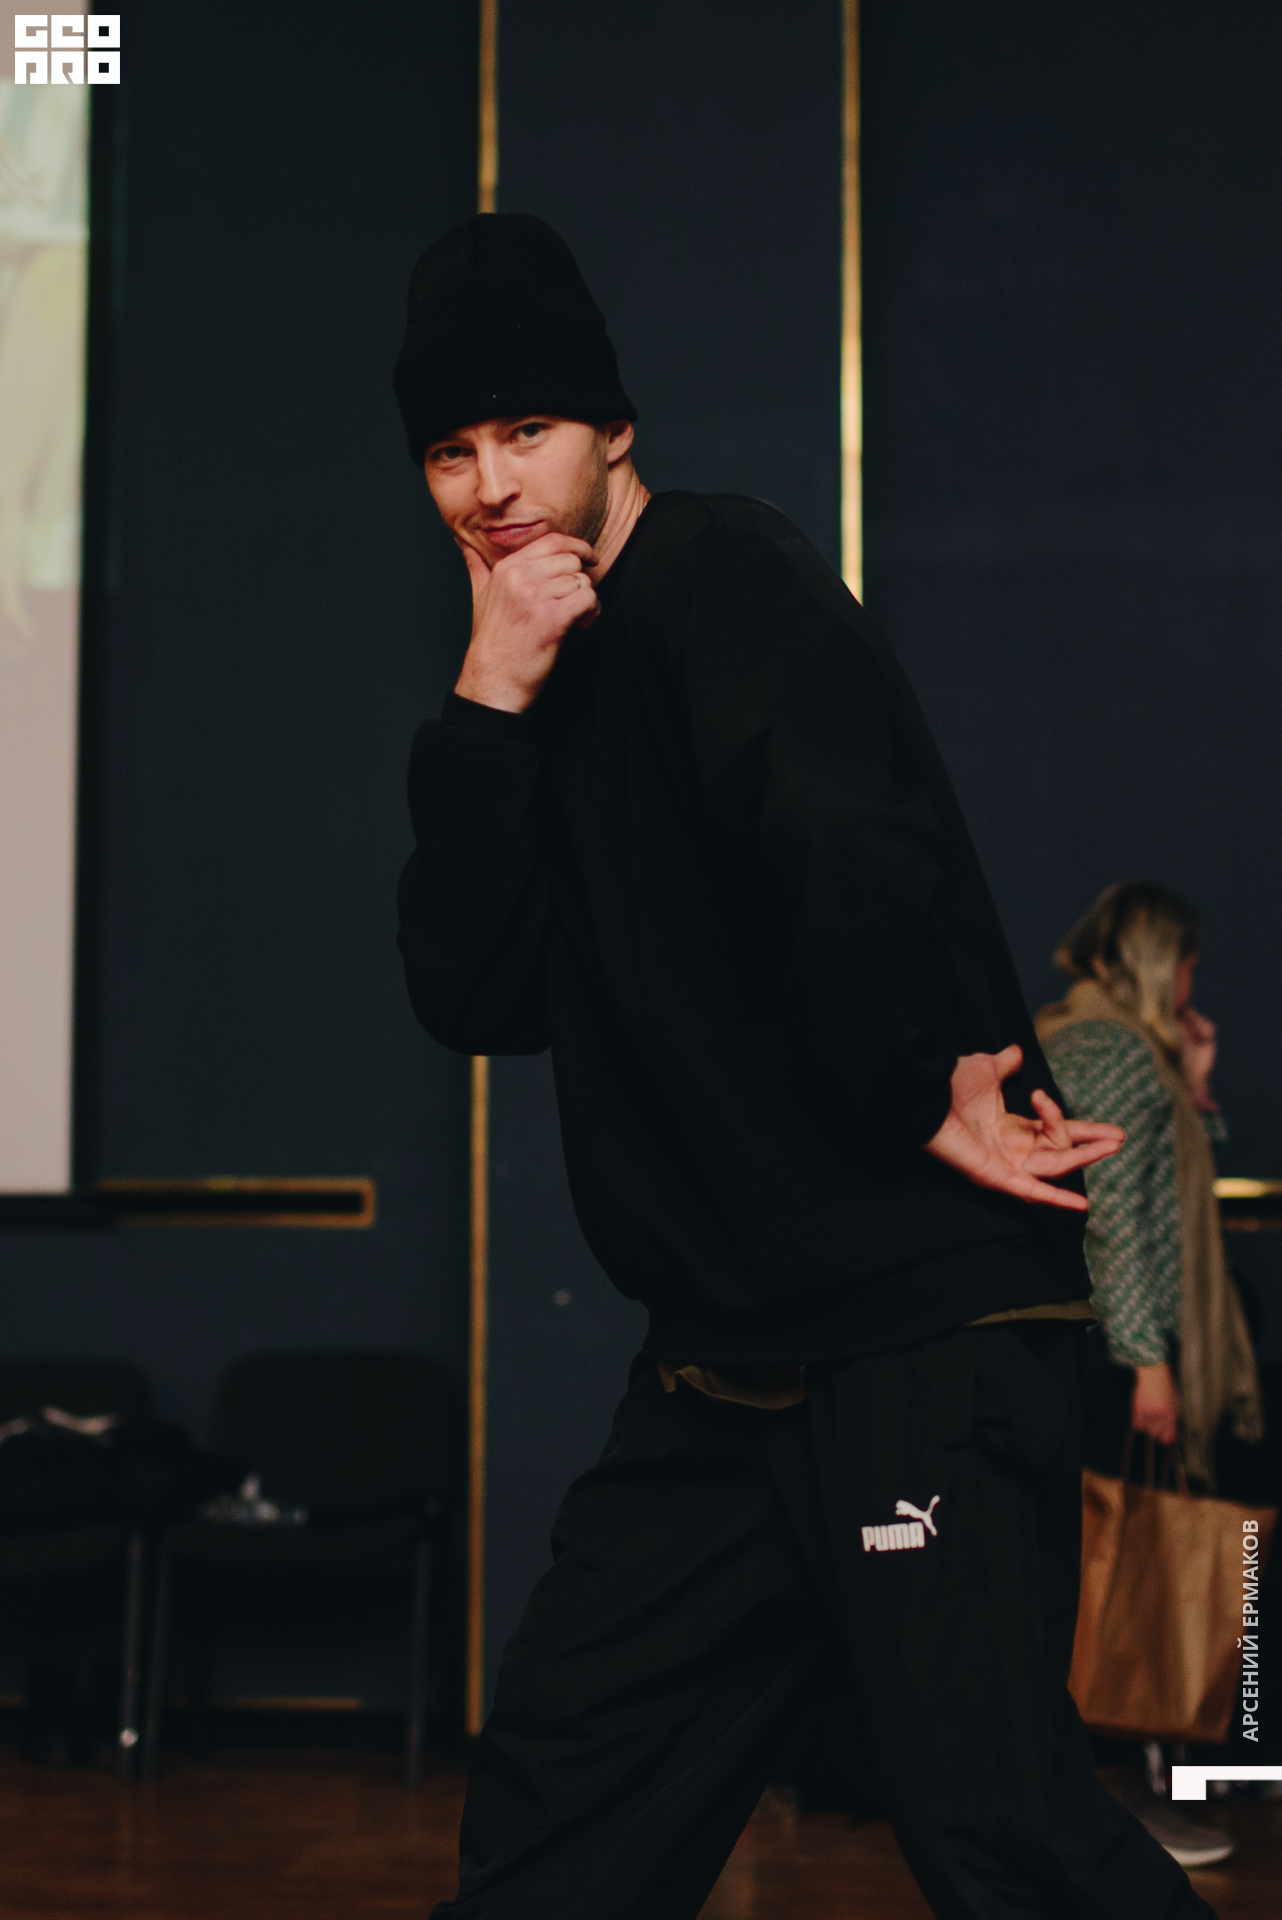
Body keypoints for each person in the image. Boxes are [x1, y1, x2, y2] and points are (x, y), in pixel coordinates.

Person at [393, 213, 1216, 1920]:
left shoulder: (723, 576)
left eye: (526, 431)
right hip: (722, 1356)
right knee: (559, 1809)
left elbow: (850, 850)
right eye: (451, 452)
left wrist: (919, 1088)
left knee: (994, 1827)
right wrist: (484, 699)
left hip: (916, 1326)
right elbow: (476, 994)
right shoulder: (528, 675)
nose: (492, 486)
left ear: (613, 429)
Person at [1037, 882, 1264, 1870]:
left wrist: (1193, 1078)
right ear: (1154, 960)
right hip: (1116, 1350)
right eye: (1186, 967)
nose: (1191, 986)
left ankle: (1119, 1791)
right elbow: (1117, 1214)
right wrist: (1147, 1362)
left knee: (1116, 1570)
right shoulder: (1111, 1049)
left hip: (1103, 1348)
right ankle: (1115, 1797)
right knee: (1125, 1577)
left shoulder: (1105, 1042)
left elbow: (1171, 1185)